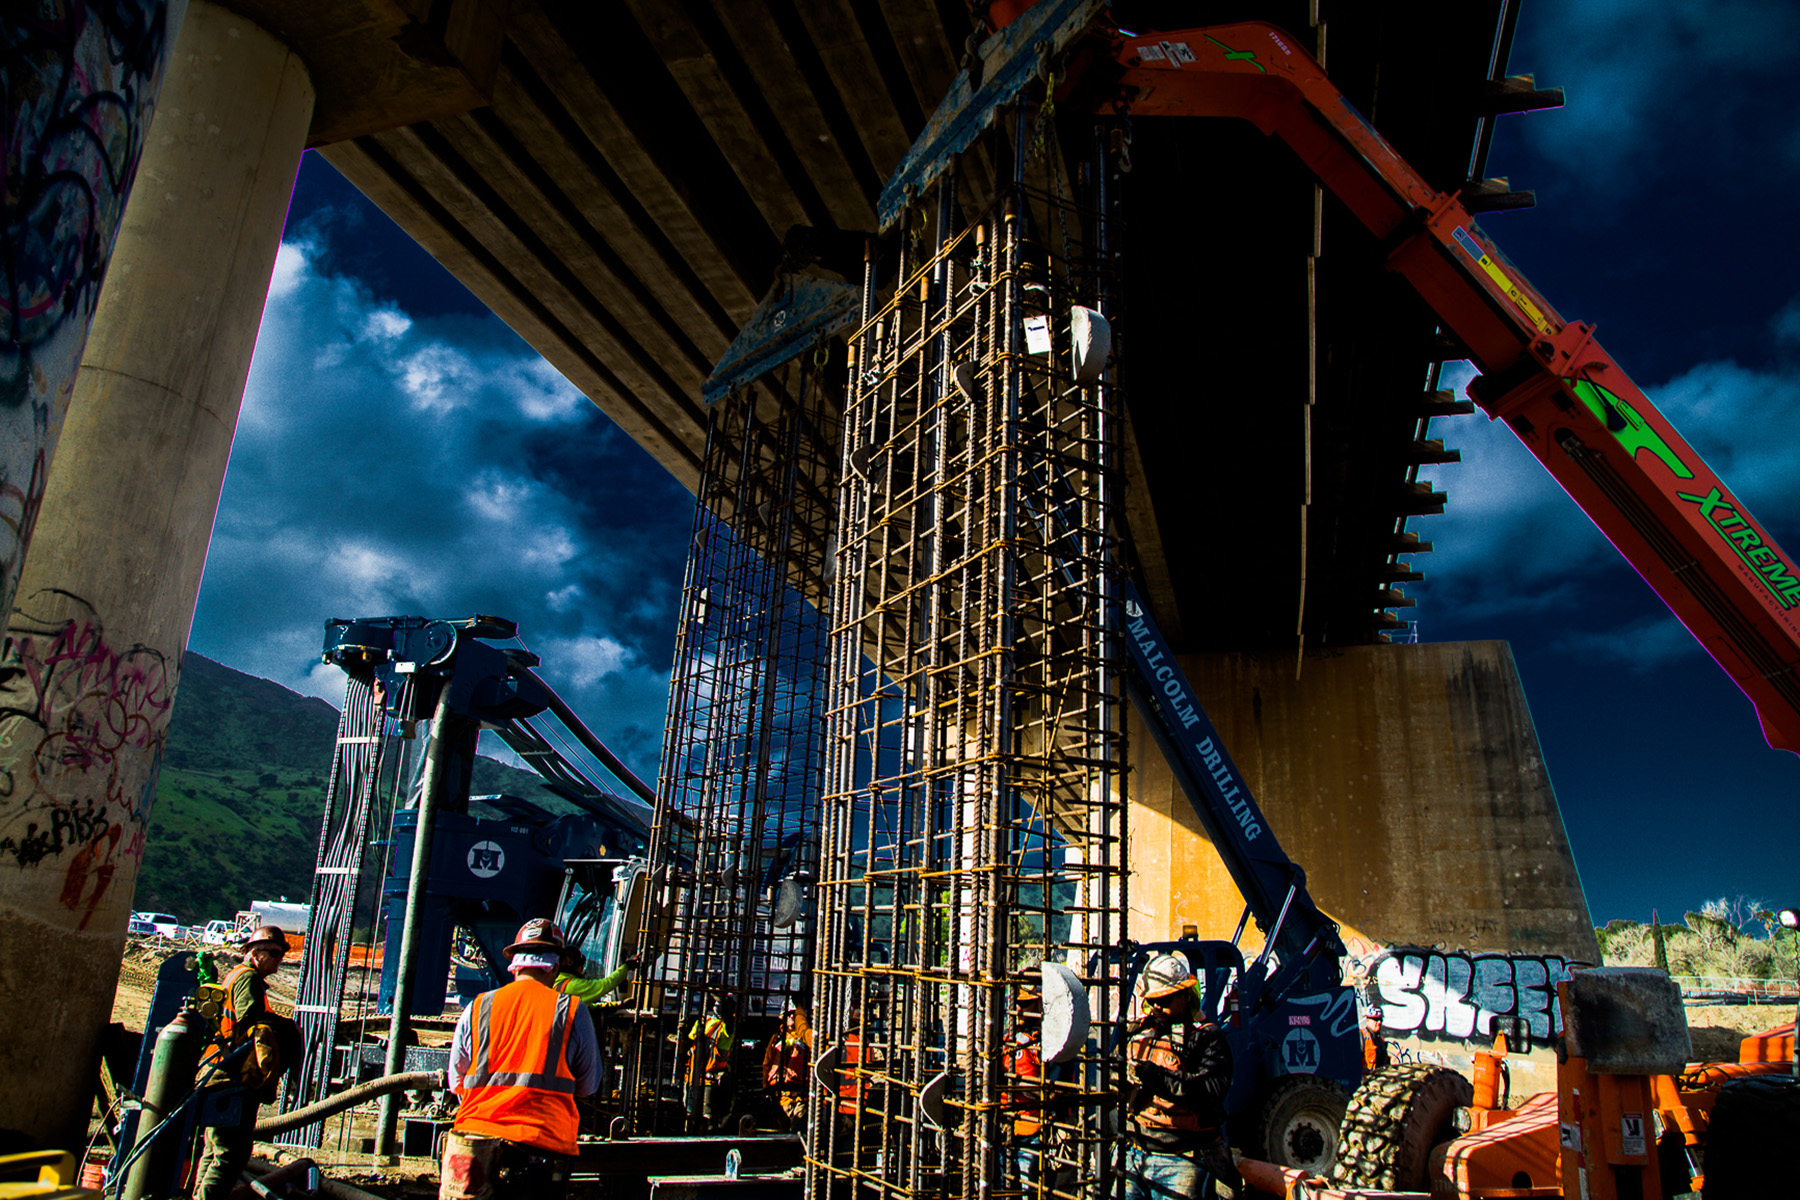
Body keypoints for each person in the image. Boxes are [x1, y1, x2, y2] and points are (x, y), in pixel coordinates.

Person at [440, 919, 600, 1200]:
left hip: (474, 1142)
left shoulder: (478, 1007)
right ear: (556, 965)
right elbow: (588, 1085)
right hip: (541, 1145)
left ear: (514, 964)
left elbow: (456, 1081)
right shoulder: (572, 1011)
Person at [1123, 953, 1241, 1200]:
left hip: (1181, 1159)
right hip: (1135, 1153)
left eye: (1164, 1000)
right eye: (1153, 1000)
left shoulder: (1206, 1038)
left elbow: (1210, 1090)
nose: (1156, 1007)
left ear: (1185, 996)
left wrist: (1157, 1077)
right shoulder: (1141, 1032)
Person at [195, 926, 296, 1200]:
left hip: (219, 1072)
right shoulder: (248, 979)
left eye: (281, 954)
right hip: (233, 1075)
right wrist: (284, 1030)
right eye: (274, 953)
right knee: (232, 1154)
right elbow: (250, 1022)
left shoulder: (238, 976)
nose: (279, 959)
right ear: (254, 953)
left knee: (215, 1150)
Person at [684, 993, 735, 1132]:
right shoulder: (705, 1022)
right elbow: (689, 1041)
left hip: (709, 1081)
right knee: (690, 1116)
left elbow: (730, 1025)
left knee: (707, 1120)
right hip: (692, 1079)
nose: (716, 1007)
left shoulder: (726, 1028)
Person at [760, 998, 812, 1129]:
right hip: (781, 1097)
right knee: (781, 1133)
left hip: (801, 1096)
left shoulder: (806, 1038)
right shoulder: (777, 1038)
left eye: (793, 1014)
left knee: (797, 1130)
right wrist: (765, 1087)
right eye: (788, 1014)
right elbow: (767, 1063)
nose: (791, 1017)